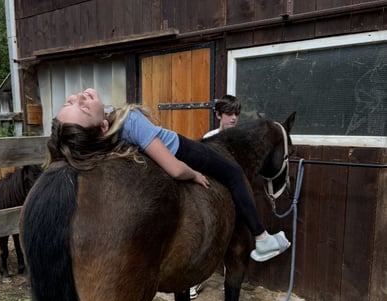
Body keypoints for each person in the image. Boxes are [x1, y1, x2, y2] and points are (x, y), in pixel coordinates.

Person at [54, 89, 290, 268]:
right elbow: (175, 170)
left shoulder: (104, 138)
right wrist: (193, 174)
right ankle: (262, 238)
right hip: (183, 150)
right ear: (104, 126)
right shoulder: (130, 121)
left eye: (69, 101)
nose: (79, 96)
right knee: (235, 173)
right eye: (83, 108)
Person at [190, 94, 242, 299]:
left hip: (234, 194)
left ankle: (230, 283)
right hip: (215, 194)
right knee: (208, 238)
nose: (234, 118)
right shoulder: (210, 138)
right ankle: (195, 280)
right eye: (229, 113)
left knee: (234, 239)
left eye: (236, 113)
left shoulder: (240, 139)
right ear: (219, 115)